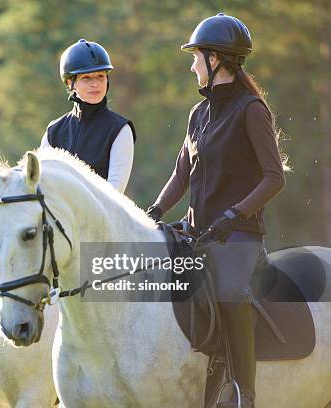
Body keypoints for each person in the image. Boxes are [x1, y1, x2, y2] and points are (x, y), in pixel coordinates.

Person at [146, 13, 286, 408]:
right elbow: (180, 176)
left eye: (197, 57)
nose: (192, 64)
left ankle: (244, 391)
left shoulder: (251, 110)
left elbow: (275, 178)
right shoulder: (197, 114)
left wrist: (234, 216)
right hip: (198, 232)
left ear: (218, 60)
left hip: (239, 235)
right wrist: (154, 211)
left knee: (228, 292)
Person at [41, 39, 136, 193]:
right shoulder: (53, 131)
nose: (95, 84)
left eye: (100, 76)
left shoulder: (120, 129)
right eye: (86, 78)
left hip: (102, 215)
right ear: (70, 83)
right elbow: (44, 185)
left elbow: (114, 193)